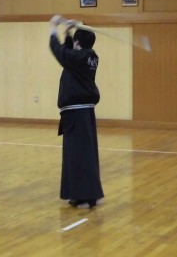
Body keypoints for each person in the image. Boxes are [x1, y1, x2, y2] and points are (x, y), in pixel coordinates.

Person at [49, 15, 104, 209]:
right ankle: (82, 194)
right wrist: (69, 33)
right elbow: (69, 54)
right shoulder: (89, 56)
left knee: (79, 155)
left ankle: (87, 196)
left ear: (78, 43)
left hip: (77, 114)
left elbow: (60, 52)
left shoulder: (79, 58)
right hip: (81, 113)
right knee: (80, 154)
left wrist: (54, 29)